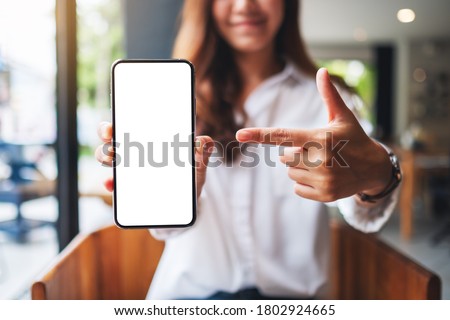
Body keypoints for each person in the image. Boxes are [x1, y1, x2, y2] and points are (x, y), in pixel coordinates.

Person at [96, 0, 401, 299]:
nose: (244, 5)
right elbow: (167, 229)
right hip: (189, 298)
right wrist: (162, 193)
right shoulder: (173, 99)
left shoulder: (325, 99)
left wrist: (378, 173)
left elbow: (364, 214)